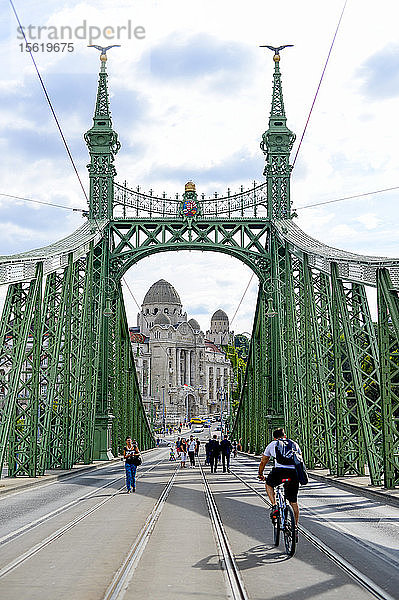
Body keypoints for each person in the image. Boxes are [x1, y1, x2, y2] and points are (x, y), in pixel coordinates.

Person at [258, 427, 302, 540]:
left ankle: (274, 505)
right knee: (293, 501)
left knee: (269, 484)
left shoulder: (272, 444)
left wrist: (260, 474)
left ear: (274, 437)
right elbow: (300, 459)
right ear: (285, 436)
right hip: (293, 473)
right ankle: (295, 527)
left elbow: (264, 461)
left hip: (279, 472)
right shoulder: (294, 444)